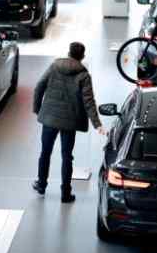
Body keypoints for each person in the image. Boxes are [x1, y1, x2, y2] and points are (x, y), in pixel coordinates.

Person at [32, 42, 106, 203]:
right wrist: (97, 124)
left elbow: (39, 86)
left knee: (45, 152)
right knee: (67, 156)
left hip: (50, 118)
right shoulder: (84, 75)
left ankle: (41, 185)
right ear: (82, 56)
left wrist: (38, 109)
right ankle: (66, 193)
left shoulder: (54, 66)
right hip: (69, 122)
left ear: (69, 52)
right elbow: (89, 101)